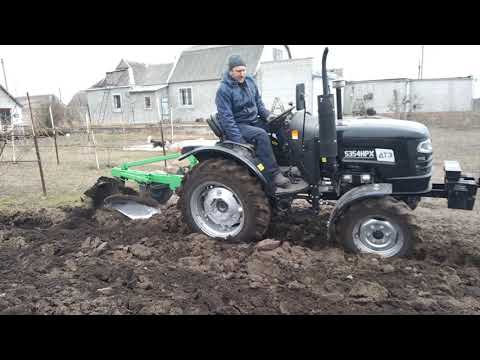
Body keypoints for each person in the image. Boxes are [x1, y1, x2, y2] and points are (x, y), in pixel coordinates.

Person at [215, 55, 290, 188]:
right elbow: (227, 119)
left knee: (283, 124)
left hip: (254, 120)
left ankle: (289, 160)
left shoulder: (250, 82)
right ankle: (274, 174)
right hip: (239, 124)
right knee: (261, 135)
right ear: (231, 71)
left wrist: (269, 117)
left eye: (244, 70)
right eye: (238, 71)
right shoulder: (223, 90)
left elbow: (259, 105)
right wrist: (240, 142)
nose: (242, 74)